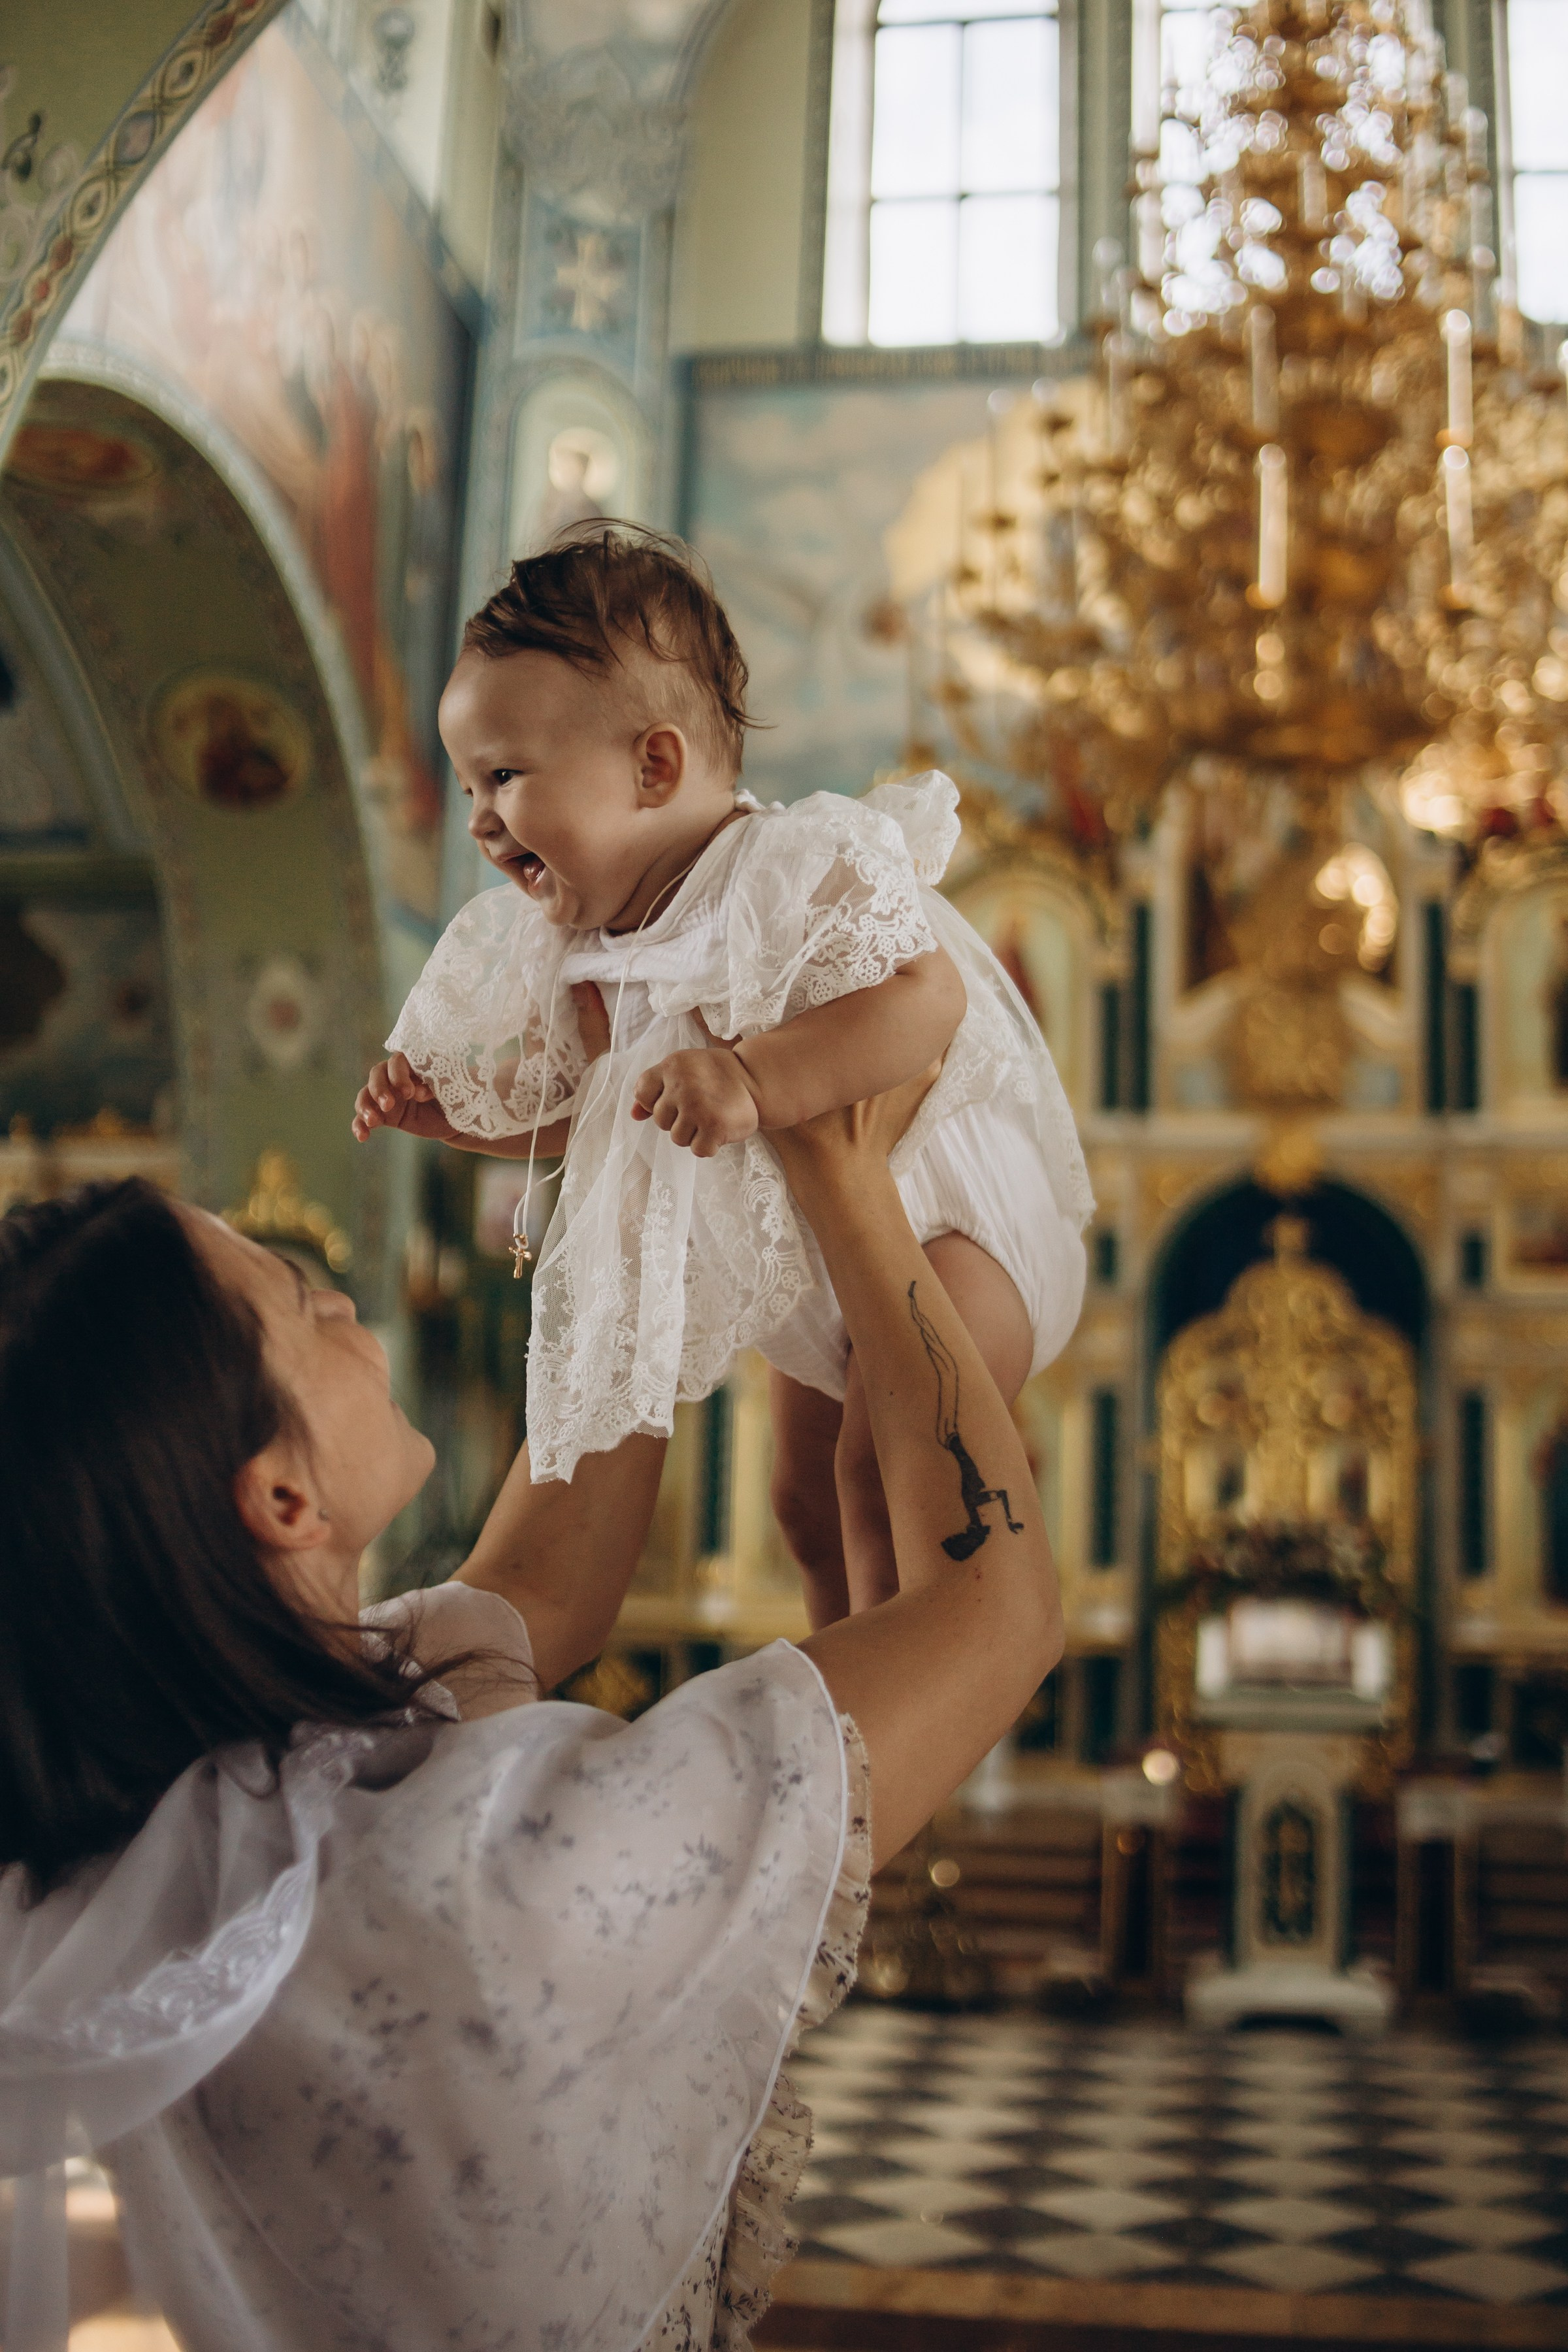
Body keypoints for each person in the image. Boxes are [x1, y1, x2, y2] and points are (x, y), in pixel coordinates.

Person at [0, 1072, 1064, 2352]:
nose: (344, 1302)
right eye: (300, 1301)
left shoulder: (188, 1814)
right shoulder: (490, 1884)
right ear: (283, 1500)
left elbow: (540, 1583)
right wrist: (848, 1179)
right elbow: (996, 1613)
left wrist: (634, 1140)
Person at [353, 524, 1092, 1623]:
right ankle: (843, 1682)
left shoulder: (782, 869)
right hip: (812, 1262)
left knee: (879, 1476)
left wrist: (754, 1078)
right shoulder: (581, 945)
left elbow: (926, 1000)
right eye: (468, 787)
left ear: (654, 767)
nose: (480, 822)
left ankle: (909, 1702)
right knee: (801, 1502)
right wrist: (459, 1119)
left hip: (953, 1226)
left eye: (504, 777)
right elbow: (606, 1118)